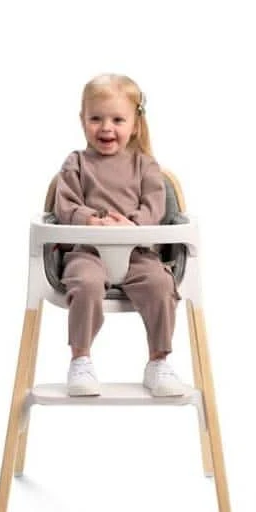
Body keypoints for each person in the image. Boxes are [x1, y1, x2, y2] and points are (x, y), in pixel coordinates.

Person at [53, 74, 184, 397]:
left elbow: (155, 207)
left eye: (117, 120)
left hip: (137, 252)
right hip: (88, 251)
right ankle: (80, 359)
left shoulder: (146, 166)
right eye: (96, 118)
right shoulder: (76, 163)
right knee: (85, 283)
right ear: (82, 120)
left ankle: (158, 361)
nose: (106, 127)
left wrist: (131, 225)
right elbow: (64, 205)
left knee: (160, 284)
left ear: (135, 125)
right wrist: (89, 220)